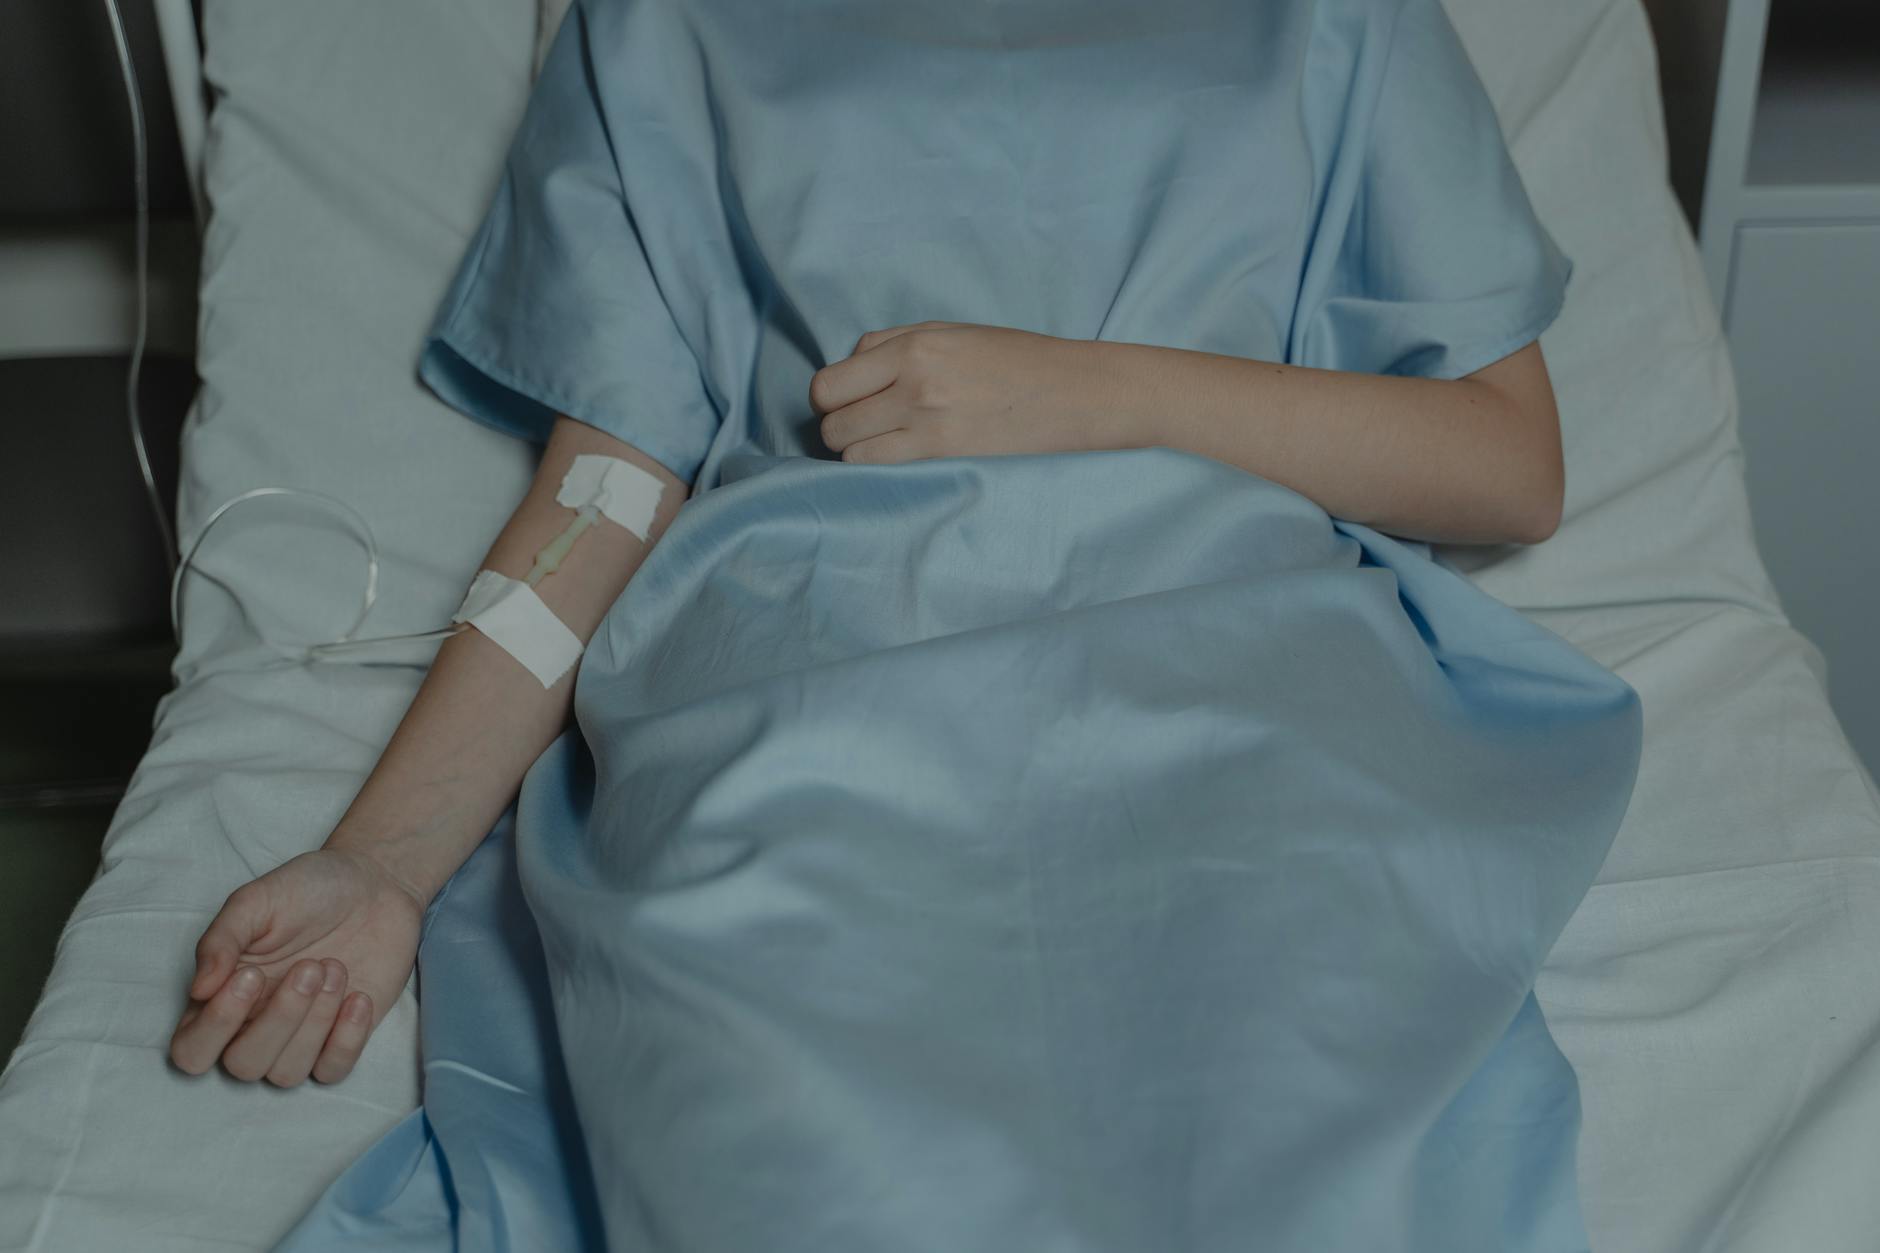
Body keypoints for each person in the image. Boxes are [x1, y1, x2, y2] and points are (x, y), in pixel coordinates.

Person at [170, 0, 1643, 1247]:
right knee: (806, 1154)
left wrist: (1089, 393)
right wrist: (383, 861)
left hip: (1232, 662)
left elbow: (1505, 462)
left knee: (1279, 1126)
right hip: (803, 675)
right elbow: (605, 498)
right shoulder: (664, 20)